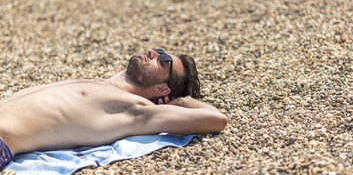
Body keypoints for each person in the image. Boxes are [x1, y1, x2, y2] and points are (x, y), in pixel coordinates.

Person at [0, 49, 228, 170]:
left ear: (161, 89)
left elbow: (216, 119)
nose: (152, 52)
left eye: (163, 60)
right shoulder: (103, 84)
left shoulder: (136, 109)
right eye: (159, 50)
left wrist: (181, 102)